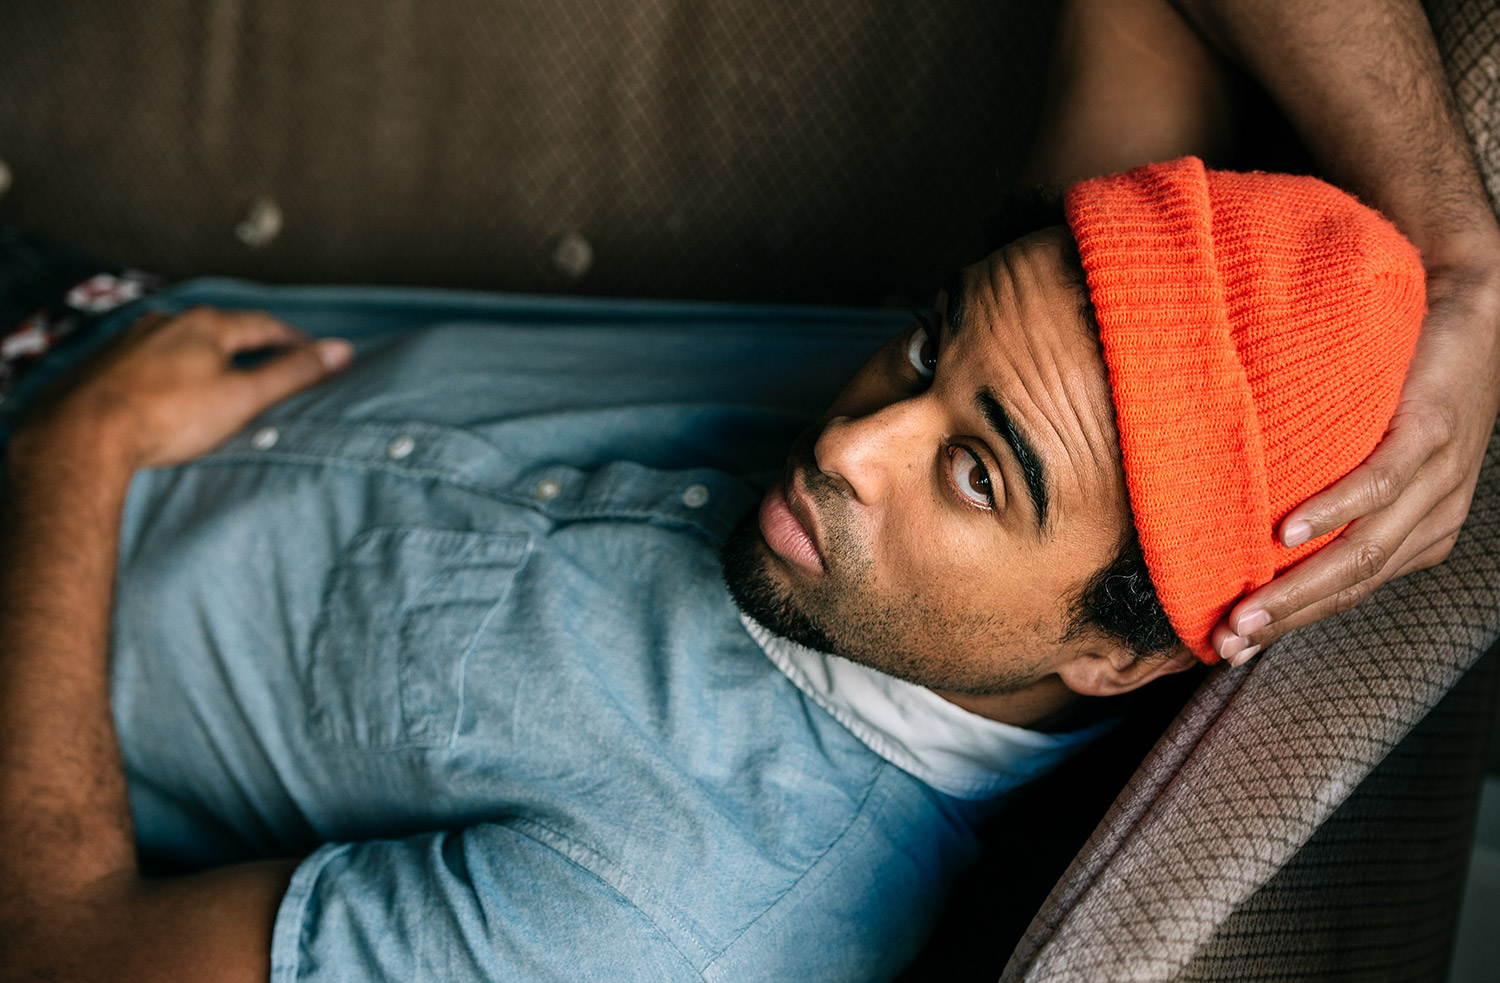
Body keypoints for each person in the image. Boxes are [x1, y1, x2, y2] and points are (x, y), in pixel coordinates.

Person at [0, 154, 1427, 981]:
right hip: (74, 293)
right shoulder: (1070, 361)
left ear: (1112, 654)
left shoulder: (675, 924)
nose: (852, 442)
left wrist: (74, 454)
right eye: (927, 346)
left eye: (977, 475)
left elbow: (60, 953)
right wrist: (1475, 264)